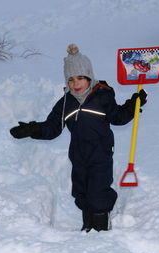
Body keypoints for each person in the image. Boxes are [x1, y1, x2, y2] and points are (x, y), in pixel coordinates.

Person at [10, 44, 147, 232]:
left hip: (101, 154)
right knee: (81, 192)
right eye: (71, 79)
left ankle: (100, 227)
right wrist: (33, 130)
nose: (76, 83)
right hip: (78, 156)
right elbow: (52, 128)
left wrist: (132, 106)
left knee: (98, 192)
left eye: (80, 78)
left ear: (89, 76)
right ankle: (88, 226)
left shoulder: (102, 96)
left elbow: (118, 118)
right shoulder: (66, 102)